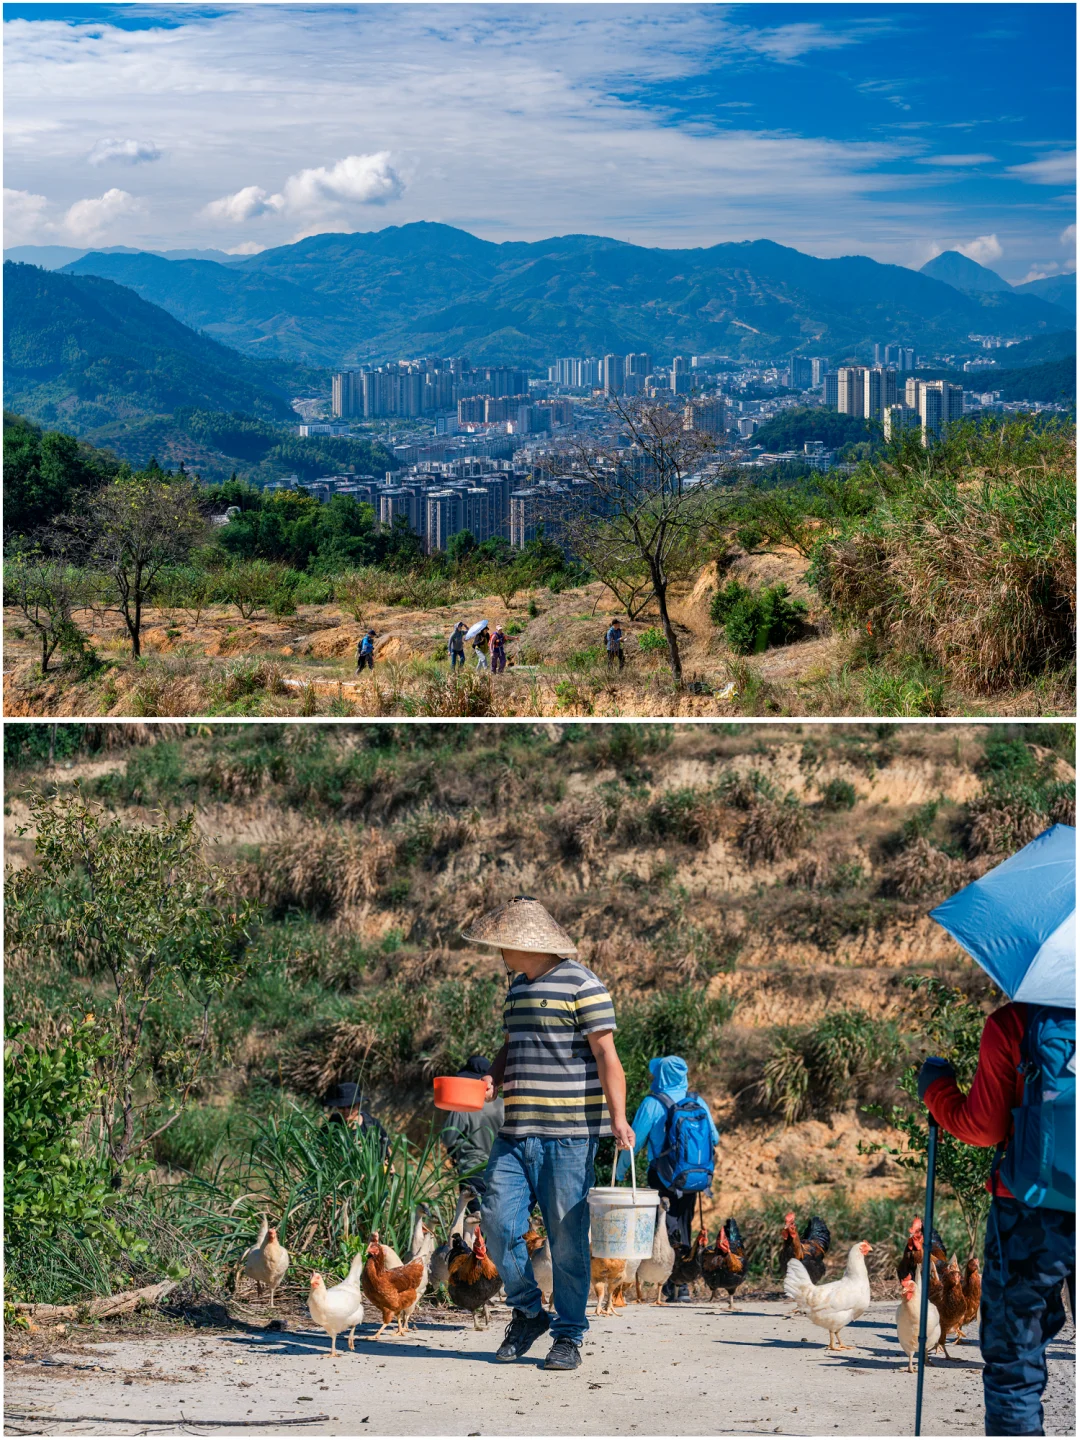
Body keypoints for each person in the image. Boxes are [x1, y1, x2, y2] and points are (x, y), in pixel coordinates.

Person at [461, 895, 635, 1372]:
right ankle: (529, 1310)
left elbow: (606, 1056)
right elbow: (511, 1045)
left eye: (503, 944)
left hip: (569, 1136)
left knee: (566, 1239)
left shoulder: (585, 985)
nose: (498, 952)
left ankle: (570, 1334)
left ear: (524, 944)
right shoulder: (517, 988)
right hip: (515, 1131)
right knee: (495, 1223)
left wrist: (619, 1118)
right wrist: (493, 1076)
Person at [919, 1001, 1075, 1437]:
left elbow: (982, 1128)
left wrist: (936, 1090)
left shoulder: (1016, 1020)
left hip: (1029, 1212)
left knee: (1015, 1366)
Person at [616, 1055, 719, 1300]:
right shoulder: (696, 1100)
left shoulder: (653, 1103)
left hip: (662, 1176)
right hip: (693, 1178)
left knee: (665, 1226)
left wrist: (620, 1172)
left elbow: (633, 1142)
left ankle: (675, 1284)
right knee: (683, 1225)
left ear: (660, 1075)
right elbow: (714, 1138)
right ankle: (682, 1284)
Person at [440, 1054, 504, 1213]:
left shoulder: (463, 1106)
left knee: (473, 1224)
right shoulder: (504, 1105)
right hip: (500, 1171)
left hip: (471, 1171)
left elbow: (447, 1138)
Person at [324, 1082, 390, 1159]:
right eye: (341, 1107)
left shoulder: (372, 1124)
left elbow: (386, 1148)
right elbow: (321, 1148)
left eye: (350, 1106)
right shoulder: (333, 1123)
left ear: (358, 1104)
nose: (346, 1110)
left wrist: (389, 1163)